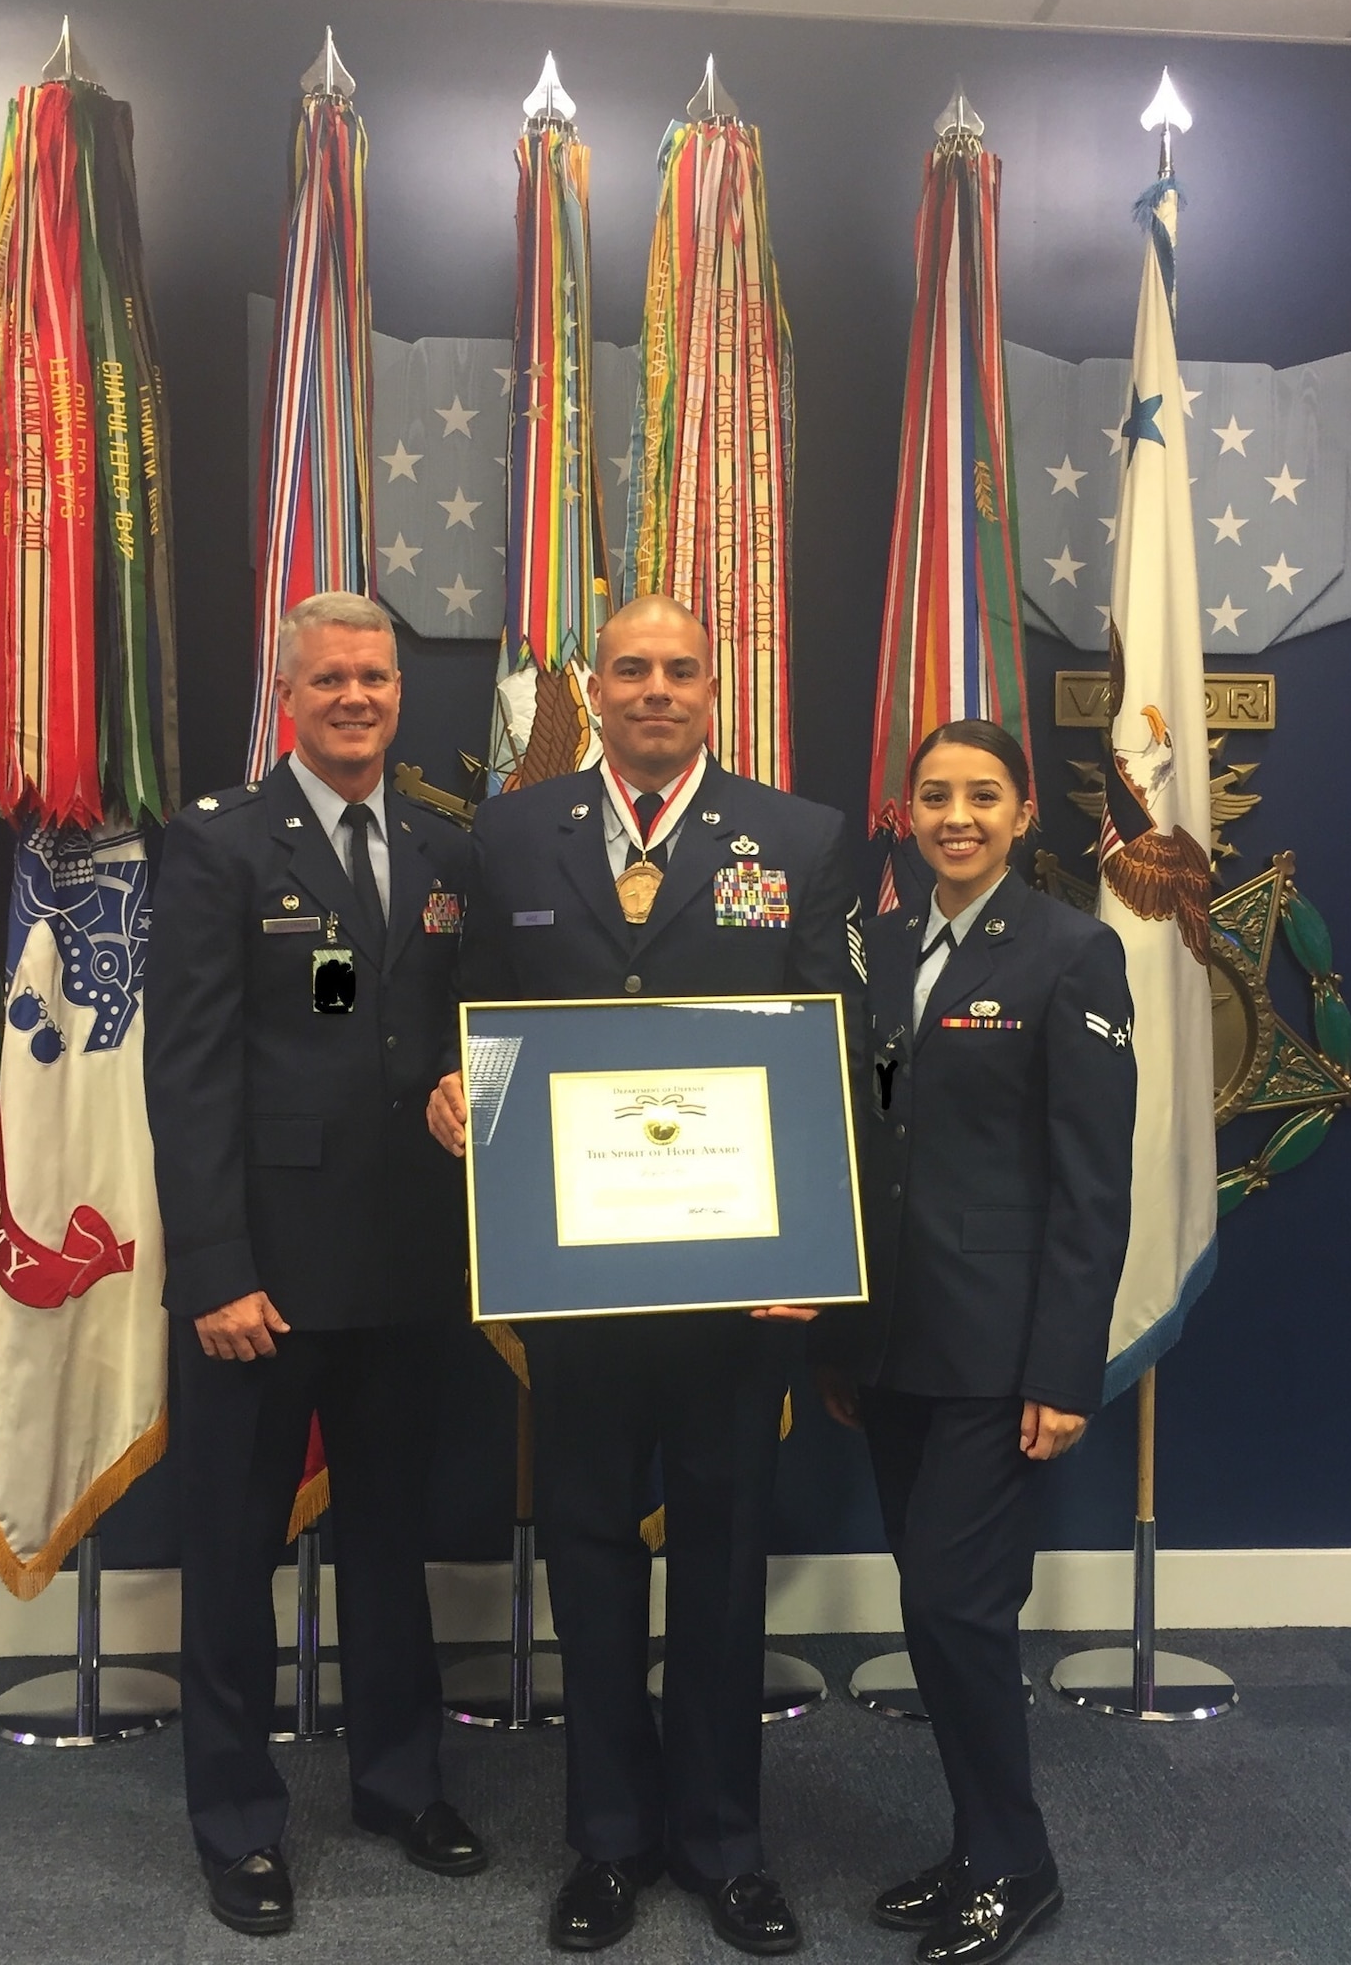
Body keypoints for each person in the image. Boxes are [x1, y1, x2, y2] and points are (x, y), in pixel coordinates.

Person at [427, 595, 867, 1956]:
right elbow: (476, 1017)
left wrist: (814, 1242)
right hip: (578, 1284)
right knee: (595, 1555)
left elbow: (832, 1049)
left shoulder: (796, 838)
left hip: (740, 1291)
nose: (658, 689)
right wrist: (453, 1090)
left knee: (727, 1566)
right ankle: (609, 1841)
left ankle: (727, 1844)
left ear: (715, 688)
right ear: (597, 688)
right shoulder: (508, 834)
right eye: (633, 669)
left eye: (682, 669)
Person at [145, 591, 485, 1936]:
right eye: (332, 678)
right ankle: (237, 1823)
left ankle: (400, 1784)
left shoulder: (448, 841)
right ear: (290, 693)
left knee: (392, 1542)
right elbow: (187, 1074)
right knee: (233, 1556)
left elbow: (467, 1023)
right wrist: (215, 1268)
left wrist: (469, 1077)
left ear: (404, 693)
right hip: (264, 1280)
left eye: (378, 678)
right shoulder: (222, 842)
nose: (358, 698)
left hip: (407, 1265)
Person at [816, 719, 1136, 1965]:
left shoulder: (1072, 951)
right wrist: (841, 1341)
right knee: (936, 1602)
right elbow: (866, 1135)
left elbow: (1089, 1181)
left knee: (956, 1605)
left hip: (1000, 1350)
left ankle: (1019, 1861)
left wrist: (1066, 1366)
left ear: (1020, 814)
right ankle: (974, 1844)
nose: (958, 814)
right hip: (893, 1338)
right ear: (907, 810)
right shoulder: (882, 944)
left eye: (983, 795)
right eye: (936, 794)